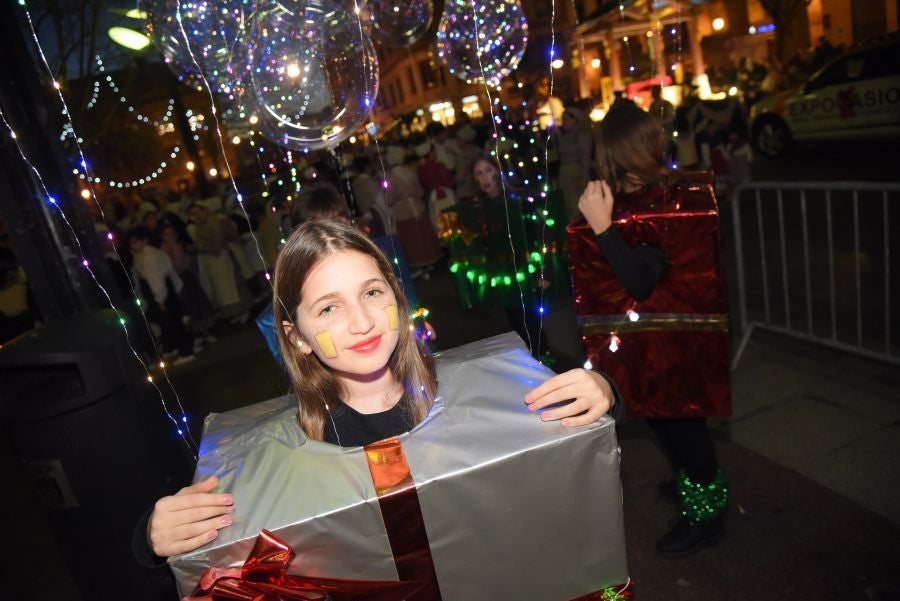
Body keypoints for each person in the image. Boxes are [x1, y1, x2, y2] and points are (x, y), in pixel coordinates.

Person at [137, 220, 620, 559]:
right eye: (328, 308)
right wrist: (153, 539)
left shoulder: (488, 396)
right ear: (298, 336)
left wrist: (602, 390)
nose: (363, 321)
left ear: (397, 296)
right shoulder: (290, 451)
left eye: (372, 292)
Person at [578, 100, 728, 556]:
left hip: (675, 346)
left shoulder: (662, 205)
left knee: (685, 428)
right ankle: (688, 479)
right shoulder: (636, 198)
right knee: (663, 423)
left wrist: (603, 228)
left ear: (617, 154)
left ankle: (707, 514)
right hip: (652, 341)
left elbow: (640, 279)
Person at [128, 226, 196, 365]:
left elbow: (156, 280)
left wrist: (160, 299)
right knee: (169, 322)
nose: (134, 246)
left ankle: (186, 351)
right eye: (132, 243)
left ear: (144, 240)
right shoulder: (148, 254)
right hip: (162, 292)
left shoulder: (149, 257)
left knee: (173, 322)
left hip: (161, 294)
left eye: (136, 242)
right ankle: (174, 348)